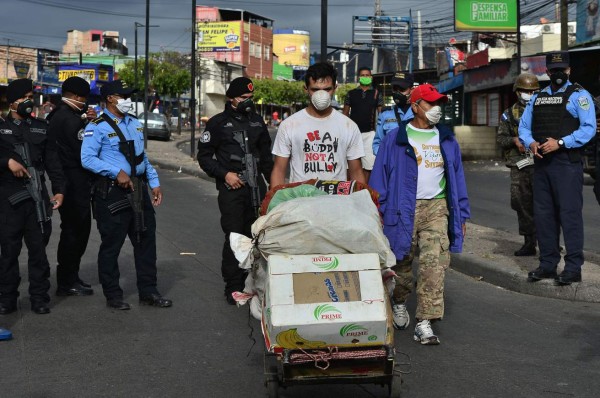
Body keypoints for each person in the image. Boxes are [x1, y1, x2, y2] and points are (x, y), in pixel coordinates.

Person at [369, 83, 470, 345]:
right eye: (430, 103)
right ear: (415, 107)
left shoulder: (446, 139)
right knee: (401, 266)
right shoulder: (395, 138)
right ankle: (399, 300)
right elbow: (379, 181)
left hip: (436, 208)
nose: (437, 109)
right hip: (402, 209)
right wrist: (378, 214)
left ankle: (425, 321)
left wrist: (462, 215)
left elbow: (457, 179)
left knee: (434, 265)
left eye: (439, 104)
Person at [81, 80, 172, 310]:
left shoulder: (135, 123)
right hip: (112, 192)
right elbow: (87, 159)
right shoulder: (97, 126)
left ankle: (149, 292)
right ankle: (113, 295)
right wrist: (115, 172)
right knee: (112, 245)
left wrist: (154, 182)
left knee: (145, 242)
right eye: (124, 96)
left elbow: (142, 157)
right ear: (110, 98)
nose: (128, 100)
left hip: (139, 190)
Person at [519, 51, 597, 285]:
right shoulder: (538, 97)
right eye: (554, 70)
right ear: (546, 71)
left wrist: (561, 142)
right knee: (544, 217)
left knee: (569, 216)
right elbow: (524, 127)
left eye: (562, 70)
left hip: (566, 163)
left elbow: (588, 128)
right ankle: (548, 264)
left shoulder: (580, 96)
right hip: (542, 164)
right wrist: (531, 142)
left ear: (569, 71)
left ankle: (573, 268)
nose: (558, 74)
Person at [197, 77, 274, 305]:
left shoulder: (258, 122)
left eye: (250, 98)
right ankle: (233, 285)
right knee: (234, 236)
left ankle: (255, 282)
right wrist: (225, 174)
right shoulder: (218, 123)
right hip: (232, 187)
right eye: (243, 98)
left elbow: (268, 159)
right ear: (231, 98)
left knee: (257, 235)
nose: (247, 103)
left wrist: (274, 187)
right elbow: (204, 157)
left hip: (256, 186)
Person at [0, 78, 65, 315]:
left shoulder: (40, 126)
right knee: (9, 252)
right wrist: (6, 161)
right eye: (24, 96)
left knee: (38, 251)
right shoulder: (1, 127)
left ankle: (39, 297)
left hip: (37, 195)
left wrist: (59, 190)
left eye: (31, 96)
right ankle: (7, 298)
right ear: (12, 101)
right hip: (9, 198)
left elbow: (53, 162)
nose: (29, 101)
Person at [271, 62, 366, 187]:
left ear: (335, 88)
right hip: (300, 201)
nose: (322, 95)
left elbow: (356, 171)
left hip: (336, 202)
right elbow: (279, 170)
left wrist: (363, 201)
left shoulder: (349, 126)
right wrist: (276, 201)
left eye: (327, 89)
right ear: (306, 89)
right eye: (315, 89)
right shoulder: (289, 125)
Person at [47, 76, 96, 297]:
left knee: (73, 231)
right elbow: (84, 151)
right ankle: (67, 281)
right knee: (75, 232)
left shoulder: (57, 115)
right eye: (84, 98)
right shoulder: (70, 119)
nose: (85, 102)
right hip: (74, 183)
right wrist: (90, 124)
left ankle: (70, 278)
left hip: (67, 181)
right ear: (76, 97)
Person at [497, 73, 540, 257]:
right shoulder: (509, 115)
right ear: (517, 92)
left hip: (541, 162)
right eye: (524, 91)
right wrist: (514, 140)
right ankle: (529, 242)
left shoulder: (544, 110)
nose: (528, 94)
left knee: (546, 203)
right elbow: (500, 138)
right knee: (520, 202)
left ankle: (549, 239)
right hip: (519, 164)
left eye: (532, 91)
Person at [343, 66, 383, 180]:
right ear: (359, 77)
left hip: (369, 134)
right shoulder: (351, 93)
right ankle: (350, 189)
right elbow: (345, 114)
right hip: (352, 134)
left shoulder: (376, 93)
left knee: (369, 165)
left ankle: (365, 189)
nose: (365, 77)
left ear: (371, 77)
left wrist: (380, 133)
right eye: (363, 75)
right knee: (349, 164)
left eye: (367, 75)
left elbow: (381, 115)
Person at [373, 72, 415, 155]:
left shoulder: (419, 113)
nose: (397, 93)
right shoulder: (385, 114)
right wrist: (387, 160)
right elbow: (377, 144)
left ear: (412, 90)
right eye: (395, 89)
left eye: (402, 89)